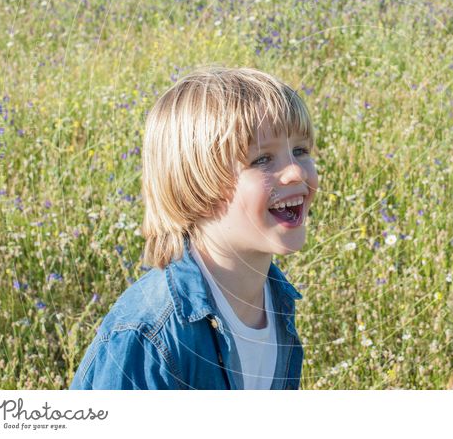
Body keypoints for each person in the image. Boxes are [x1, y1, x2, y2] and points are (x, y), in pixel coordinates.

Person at [70, 65, 319, 389]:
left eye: (300, 151)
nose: (296, 173)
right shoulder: (150, 334)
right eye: (262, 160)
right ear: (197, 185)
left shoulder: (275, 299)